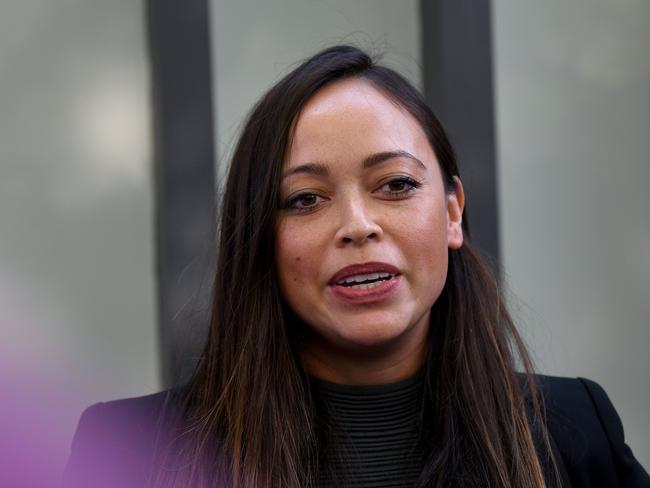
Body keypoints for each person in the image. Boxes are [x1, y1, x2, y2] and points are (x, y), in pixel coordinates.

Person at [63, 45, 650, 488]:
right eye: (305, 199)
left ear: (452, 213)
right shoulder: (130, 450)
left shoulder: (572, 432)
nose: (357, 225)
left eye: (395, 185)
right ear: (259, 240)